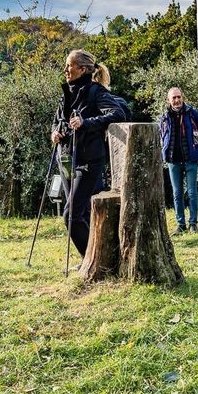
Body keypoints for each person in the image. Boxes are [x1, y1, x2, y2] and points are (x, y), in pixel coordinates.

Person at [51, 49, 123, 257]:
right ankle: (97, 260)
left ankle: (91, 261)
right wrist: (55, 132)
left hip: (89, 161)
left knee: (71, 216)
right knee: (83, 214)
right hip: (66, 159)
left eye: (69, 65)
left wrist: (86, 123)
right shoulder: (66, 92)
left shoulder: (96, 92)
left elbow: (118, 113)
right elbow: (56, 122)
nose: (65, 69)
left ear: (82, 69)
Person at [158, 87, 198, 234]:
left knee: (192, 192)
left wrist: (196, 151)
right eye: (174, 98)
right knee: (177, 193)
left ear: (182, 97)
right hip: (173, 160)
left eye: (179, 97)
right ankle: (181, 224)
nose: (177, 100)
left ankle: (193, 224)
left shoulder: (192, 113)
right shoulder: (164, 117)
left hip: (190, 159)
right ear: (168, 100)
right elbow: (161, 136)